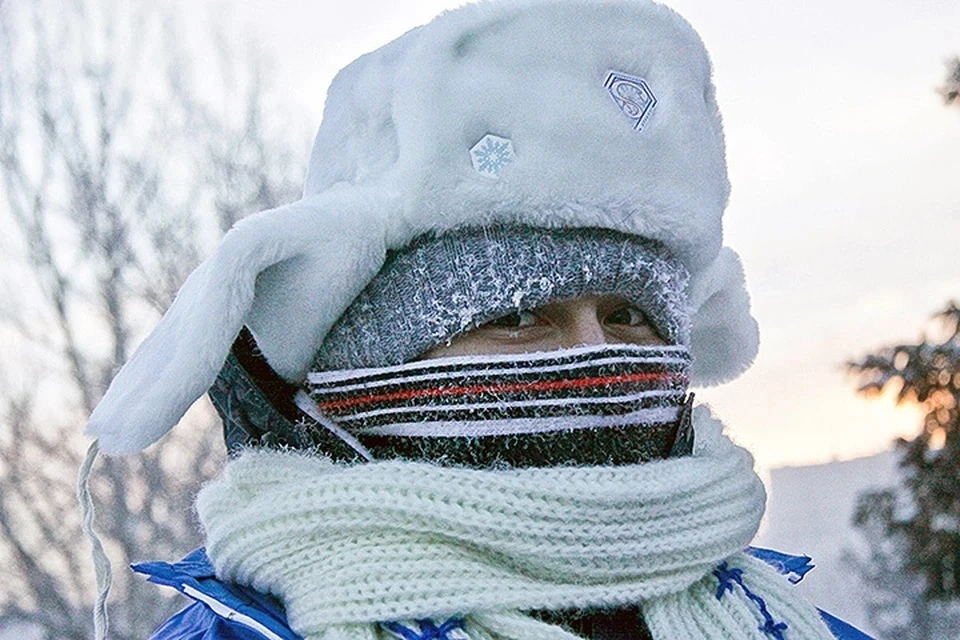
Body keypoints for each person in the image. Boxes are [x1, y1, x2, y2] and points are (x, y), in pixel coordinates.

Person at [82, 1, 873, 639]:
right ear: (368, 362)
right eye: (523, 315)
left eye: (630, 315)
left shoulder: (786, 623)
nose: (595, 359)